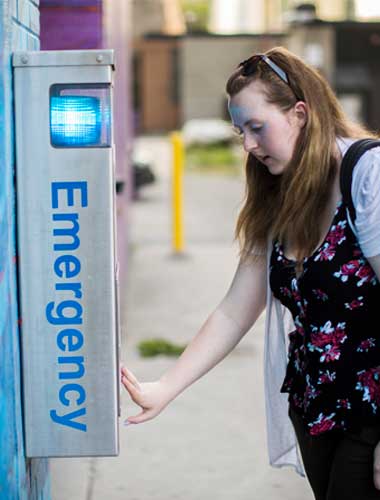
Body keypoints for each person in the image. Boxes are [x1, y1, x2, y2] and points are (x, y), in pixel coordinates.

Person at [121, 46, 380, 499]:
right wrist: (166, 386)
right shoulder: (279, 190)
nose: (247, 145)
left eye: (257, 128)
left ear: (300, 113)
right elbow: (234, 310)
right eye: (239, 131)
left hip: (371, 410)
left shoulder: (367, 173)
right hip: (313, 405)